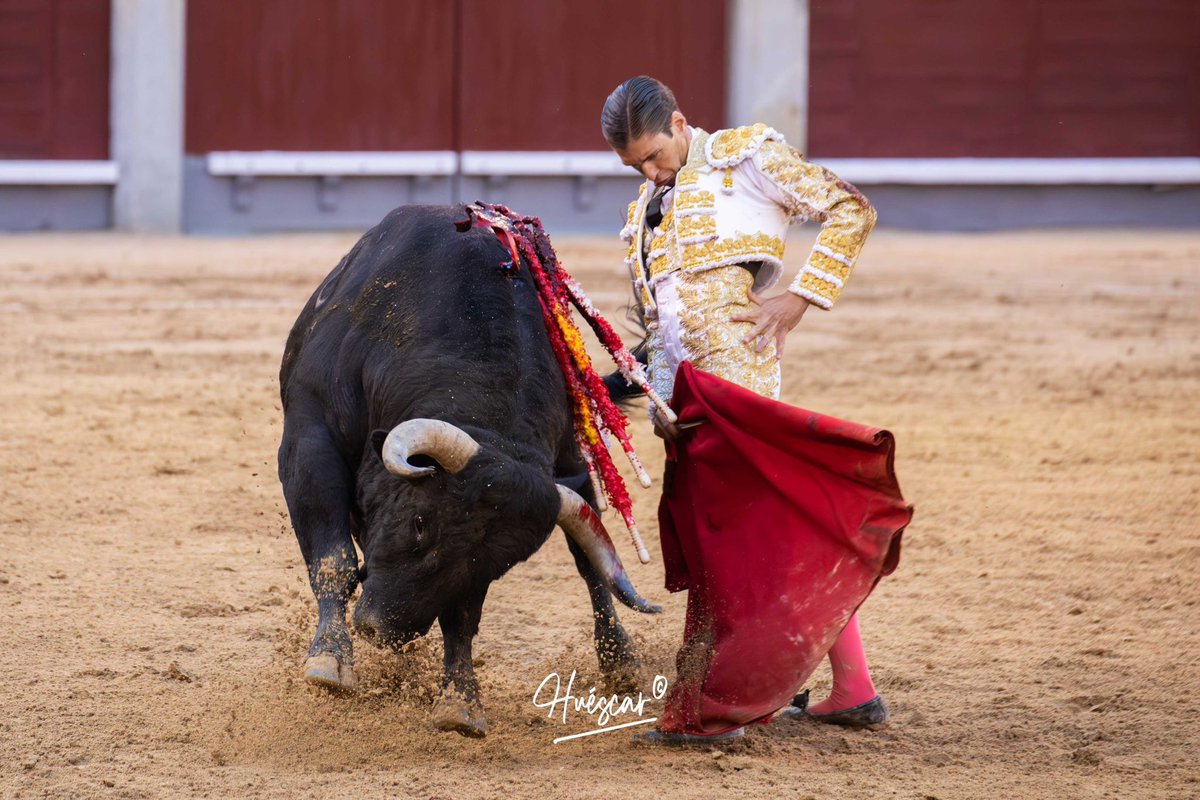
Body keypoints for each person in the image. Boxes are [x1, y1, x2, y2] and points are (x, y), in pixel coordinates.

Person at [601, 75, 888, 743]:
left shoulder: (745, 156)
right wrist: (659, 403)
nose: (649, 172)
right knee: (766, 530)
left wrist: (802, 296)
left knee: (738, 538)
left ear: (677, 124)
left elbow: (851, 209)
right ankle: (852, 687)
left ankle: (727, 701)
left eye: (652, 155)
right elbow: (662, 321)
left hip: (742, 388)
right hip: (691, 402)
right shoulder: (645, 213)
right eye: (634, 166)